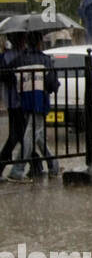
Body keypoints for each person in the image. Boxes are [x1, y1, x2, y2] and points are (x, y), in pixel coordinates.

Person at [6, 33, 59, 182]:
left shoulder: (19, 60)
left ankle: (53, 166)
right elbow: (53, 84)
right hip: (40, 101)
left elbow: (7, 75)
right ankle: (17, 170)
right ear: (40, 43)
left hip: (25, 102)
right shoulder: (45, 60)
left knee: (38, 135)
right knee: (31, 135)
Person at [0, 38, 26, 178]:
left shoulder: (7, 56)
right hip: (17, 101)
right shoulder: (13, 57)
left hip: (13, 101)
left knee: (22, 135)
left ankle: (36, 165)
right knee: (20, 135)